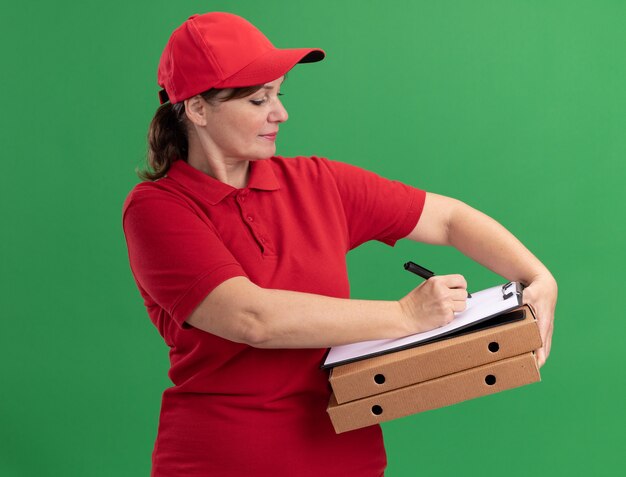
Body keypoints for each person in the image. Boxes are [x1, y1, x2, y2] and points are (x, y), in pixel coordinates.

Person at [122, 12, 557, 477]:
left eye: (279, 94)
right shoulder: (158, 209)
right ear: (197, 109)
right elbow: (252, 318)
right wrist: (405, 316)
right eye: (257, 100)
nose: (280, 113)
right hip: (222, 459)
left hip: (345, 457)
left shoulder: (317, 183)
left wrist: (539, 277)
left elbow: (448, 219)